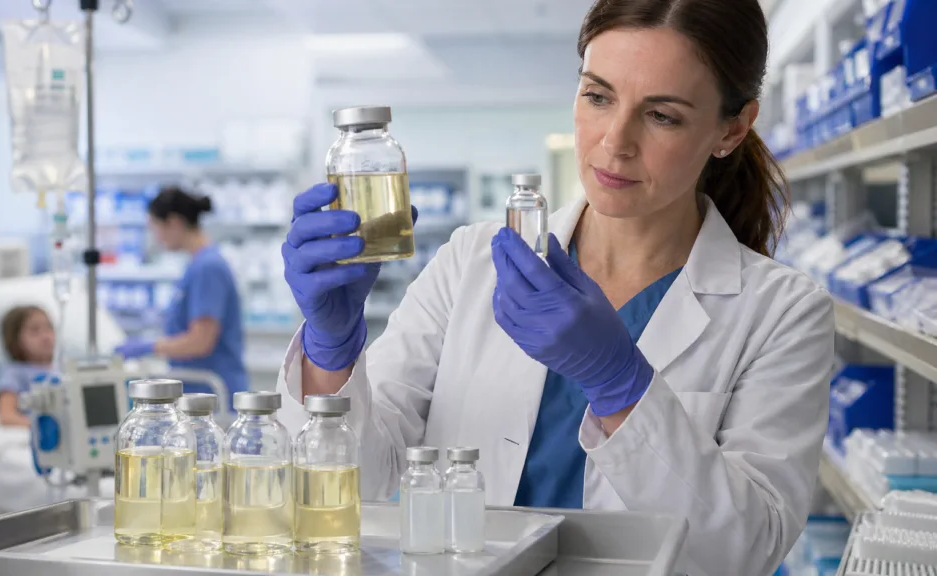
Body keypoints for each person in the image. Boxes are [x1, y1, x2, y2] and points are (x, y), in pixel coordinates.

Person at [276, 1, 836, 574]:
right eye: (598, 96)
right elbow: (366, 485)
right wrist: (331, 348)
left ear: (732, 128)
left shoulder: (782, 313)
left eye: (662, 115)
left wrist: (622, 386)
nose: (615, 142)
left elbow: (745, 549)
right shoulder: (473, 262)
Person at [115, 186, 247, 398]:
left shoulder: (208, 267)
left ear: (174, 223)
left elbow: (200, 341)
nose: (156, 238)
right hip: (201, 393)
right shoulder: (198, 264)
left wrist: (150, 346)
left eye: (156, 228)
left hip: (212, 394)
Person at [0, 305, 55, 427]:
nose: (46, 337)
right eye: (34, 331)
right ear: (16, 339)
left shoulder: (60, 369)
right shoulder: (15, 372)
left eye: (49, 328)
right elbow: (6, 416)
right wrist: (42, 427)